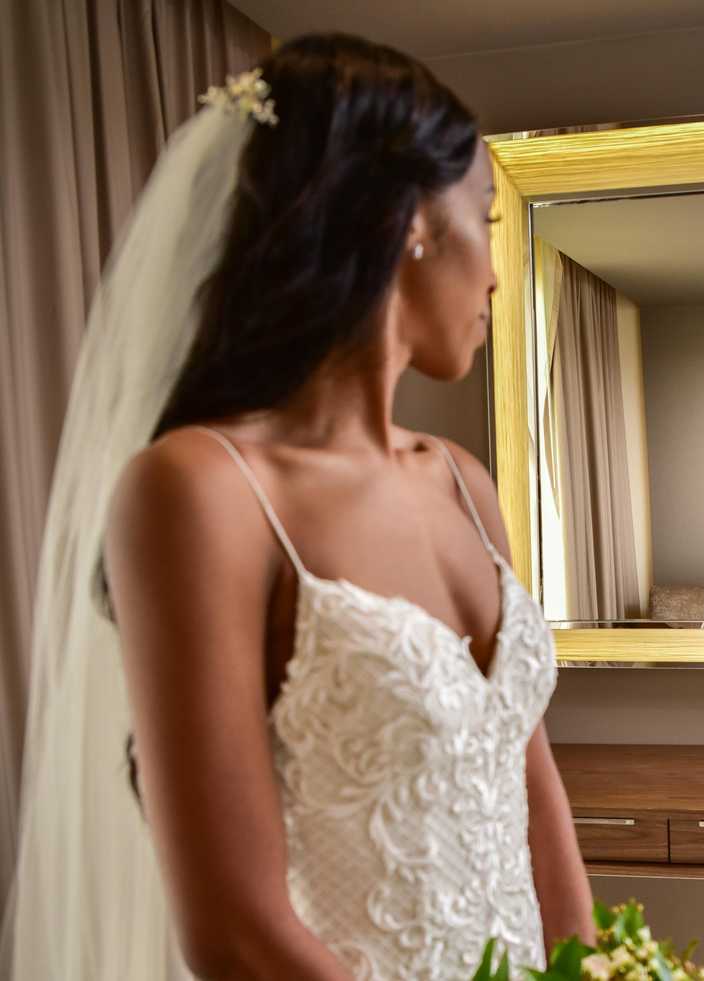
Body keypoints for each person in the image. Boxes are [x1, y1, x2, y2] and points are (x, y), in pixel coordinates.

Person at [3, 34, 593, 981]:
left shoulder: (466, 484)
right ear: (409, 221)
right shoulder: (199, 490)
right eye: (485, 216)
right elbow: (234, 929)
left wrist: (596, 969)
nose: (494, 272)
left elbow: (532, 791)